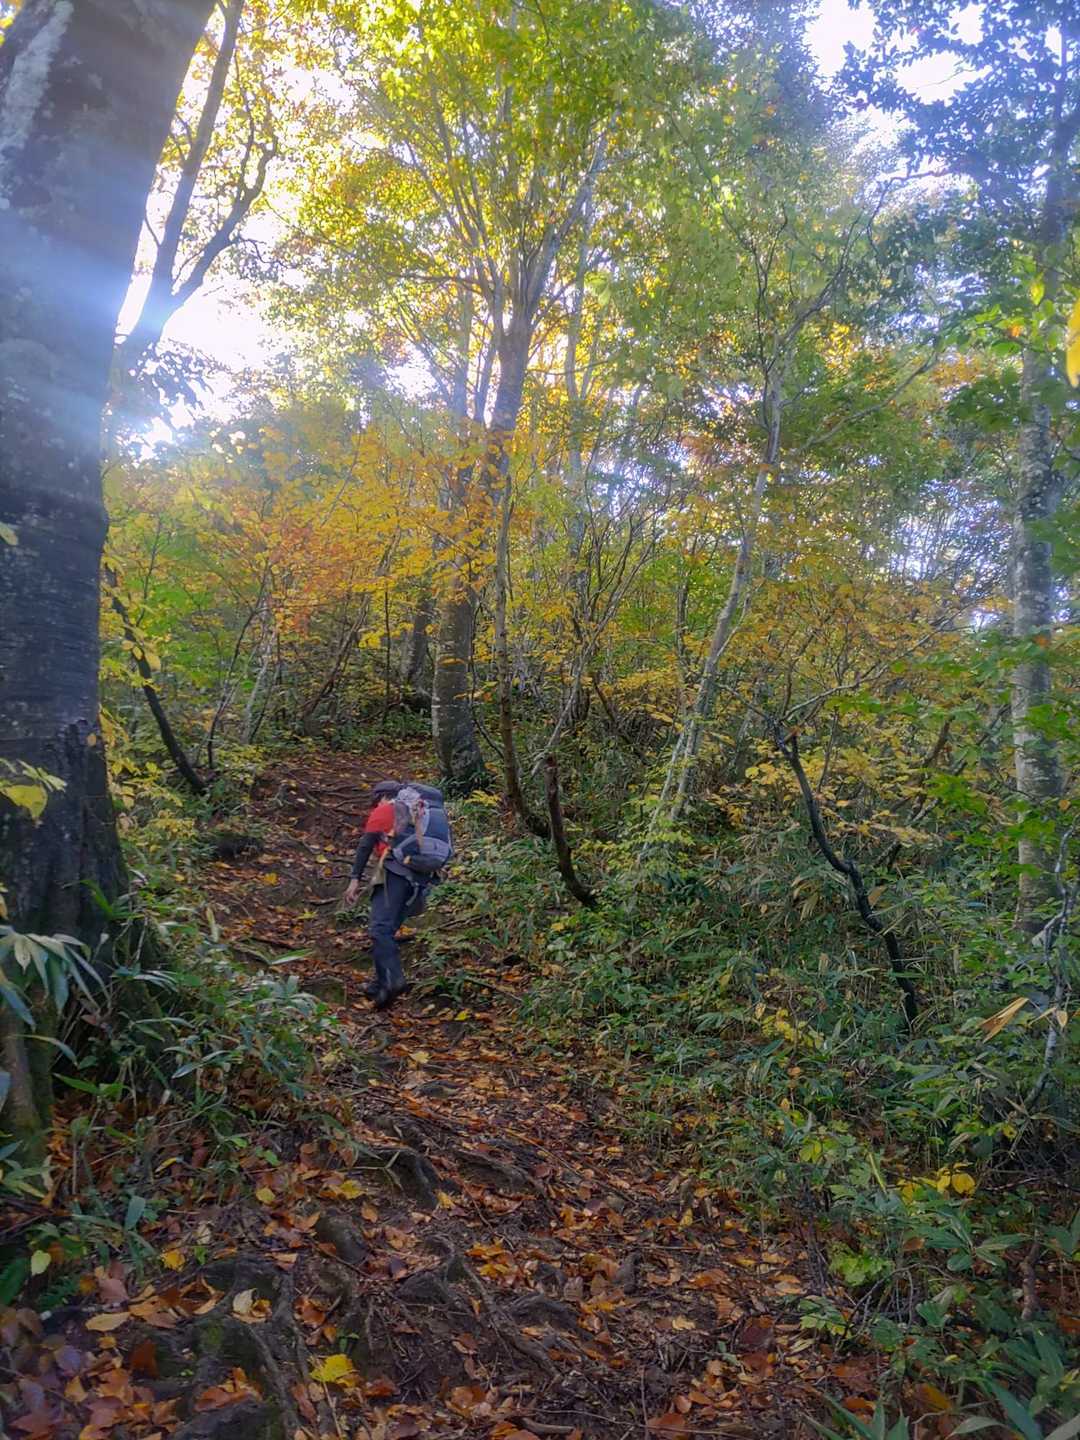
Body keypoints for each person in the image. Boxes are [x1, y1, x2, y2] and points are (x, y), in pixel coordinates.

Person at [344, 779, 452, 1010]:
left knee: (379, 929)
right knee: (387, 930)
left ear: (382, 797)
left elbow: (365, 845)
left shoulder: (386, 810)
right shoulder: (425, 813)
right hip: (421, 877)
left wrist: (354, 879)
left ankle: (394, 980)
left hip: (394, 873)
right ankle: (379, 985)